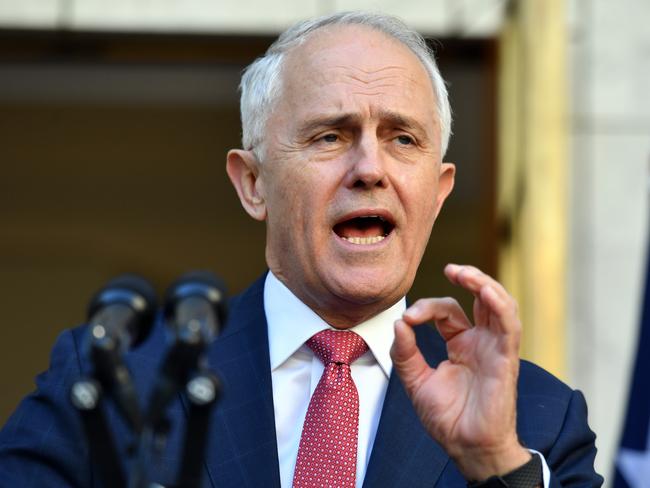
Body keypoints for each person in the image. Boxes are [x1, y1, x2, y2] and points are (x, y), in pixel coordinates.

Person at [0, 11, 602, 488]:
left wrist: (496, 463)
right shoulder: (116, 376)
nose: (370, 168)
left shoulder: (539, 420)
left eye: (402, 138)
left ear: (439, 192)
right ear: (253, 184)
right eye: (330, 136)